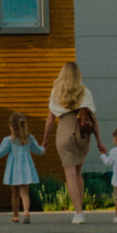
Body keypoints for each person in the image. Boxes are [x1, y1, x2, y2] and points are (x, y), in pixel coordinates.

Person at [40, 61, 100, 224]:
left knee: (70, 174)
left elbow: (50, 120)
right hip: (82, 135)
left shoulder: (57, 92)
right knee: (78, 173)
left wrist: (45, 140)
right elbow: (94, 118)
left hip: (64, 134)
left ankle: (78, 213)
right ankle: (81, 210)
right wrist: (99, 141)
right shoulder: (85, 92)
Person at [0, 112, 45, 224]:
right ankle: (26, 212)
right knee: (24, 193)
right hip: (26, 168)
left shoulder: (9, 140)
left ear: (11, 126)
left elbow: (0, 152)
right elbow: (38, 150)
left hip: (13, 169)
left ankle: (15, 216)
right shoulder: (29, 138)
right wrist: (43, 148)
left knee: (14, 194)